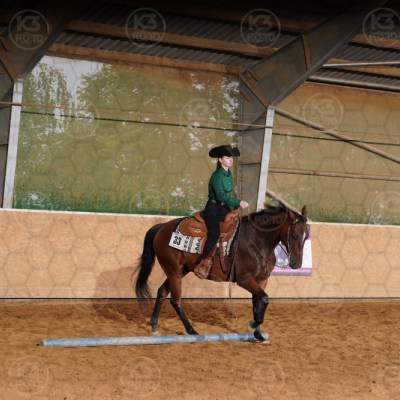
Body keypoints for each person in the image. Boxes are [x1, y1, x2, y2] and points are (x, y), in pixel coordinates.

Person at [194, 145, 249, 278]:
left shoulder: (229, 174)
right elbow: (221, 196)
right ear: (220, 159)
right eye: (228, 158)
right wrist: (238, 202)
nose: (231, 160)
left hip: (224, 208)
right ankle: (201, 262)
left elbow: (228, 196)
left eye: (232, 158)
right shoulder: (217, 176)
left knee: (237, 225)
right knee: (214, 233)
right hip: (213, 209)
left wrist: (233, 210)